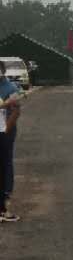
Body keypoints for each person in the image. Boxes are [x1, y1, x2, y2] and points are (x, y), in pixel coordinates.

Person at [0, 76, 20, 223]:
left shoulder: (10, 88)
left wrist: (6, 130)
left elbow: (16, 111)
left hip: (4, 134)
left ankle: (3, 207)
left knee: (5, 166)